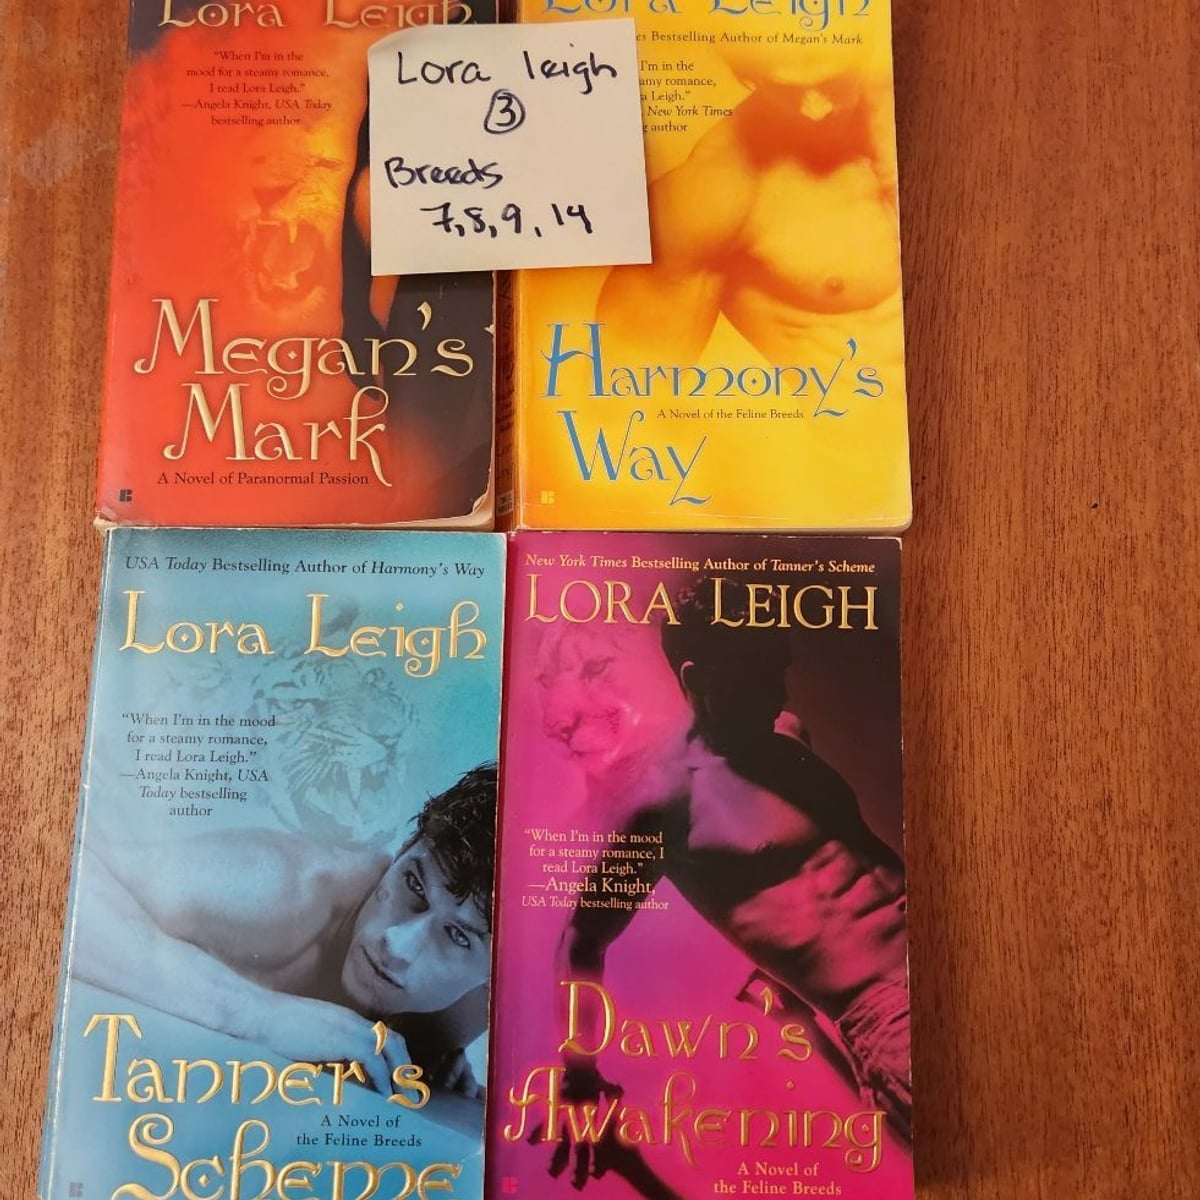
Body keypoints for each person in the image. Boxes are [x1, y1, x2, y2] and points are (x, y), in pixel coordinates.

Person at [539, 580, 909, 1191]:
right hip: (889, 1020)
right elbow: (582, 938)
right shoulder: (662, 803)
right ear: (698, 678)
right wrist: (579, 1075)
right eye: (759, 677)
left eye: (778, 670)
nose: (779, 693)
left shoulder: (788, 732)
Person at [74, 764, 497, 1105]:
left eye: (457, 937)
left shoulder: (470, 1008)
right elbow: (78, 871)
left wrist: (432, 1063)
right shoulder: (278, 889)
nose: (397, 944)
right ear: (403, 850)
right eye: (414, 885)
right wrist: (260, 1014)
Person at [597, 43, 902, 374]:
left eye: (830, 83)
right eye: (787, 90)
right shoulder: (712, 194)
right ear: (747, 76)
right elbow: (625, 390)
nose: (814, 108)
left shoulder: (919, 96)